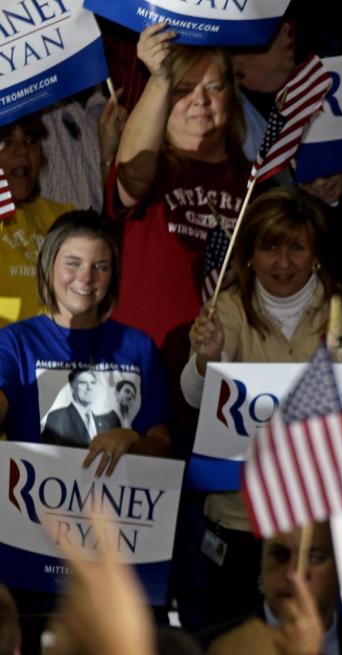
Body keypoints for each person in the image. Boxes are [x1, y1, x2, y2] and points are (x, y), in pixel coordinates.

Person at [178, 186, 342, 633]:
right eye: (269, 246)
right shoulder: (228, 310)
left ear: (315, 252)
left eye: (296, 247)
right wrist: (206, 358)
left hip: (324, 518)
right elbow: (195, 396)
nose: (282, 262)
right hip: (241, 517)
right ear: (250, 254)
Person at [106, 23, 250, 400]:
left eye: (213, 88)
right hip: (139, 380)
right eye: (183, 90)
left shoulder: (257, 184)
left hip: (224, 384)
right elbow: (131, 173)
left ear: (231, 96)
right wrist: (160, 78)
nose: (199, 101)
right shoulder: (153, 172)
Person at [0, 210, 172, 476]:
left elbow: (162, 444)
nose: (86, 277)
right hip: (32, 510)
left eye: (100, 267)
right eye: (73, 262)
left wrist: (133, 440)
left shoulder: (140, 347)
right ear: (49, 264)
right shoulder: (16, 342)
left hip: (120, 510)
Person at [208, 523, 342, 655]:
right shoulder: (208, 648)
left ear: (340, 567)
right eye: (279, 555)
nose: (294, 573)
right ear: (262, 558)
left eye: (315, 558)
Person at [0, 113, 74, 326]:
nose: (22, 150)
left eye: (31, 141)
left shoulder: (62, 217)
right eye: (5, 141)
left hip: (55, 356)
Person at [41, 368, 120, 446]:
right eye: (83, 383)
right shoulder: (58, 417)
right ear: (72, 388)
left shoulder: (104, 423)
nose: (89, 387)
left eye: (93, 383)